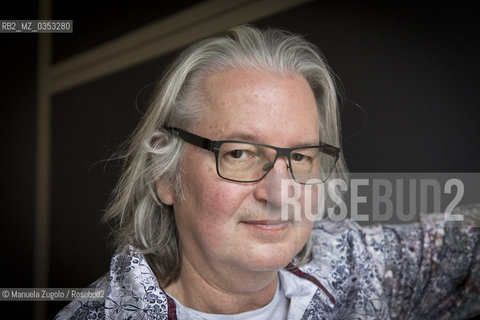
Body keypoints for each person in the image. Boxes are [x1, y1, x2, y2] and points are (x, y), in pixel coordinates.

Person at [56, 25, 480, 319]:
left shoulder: (361, 267)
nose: (279, 194)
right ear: (165, 175)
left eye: (301, 157)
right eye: (239, 153)